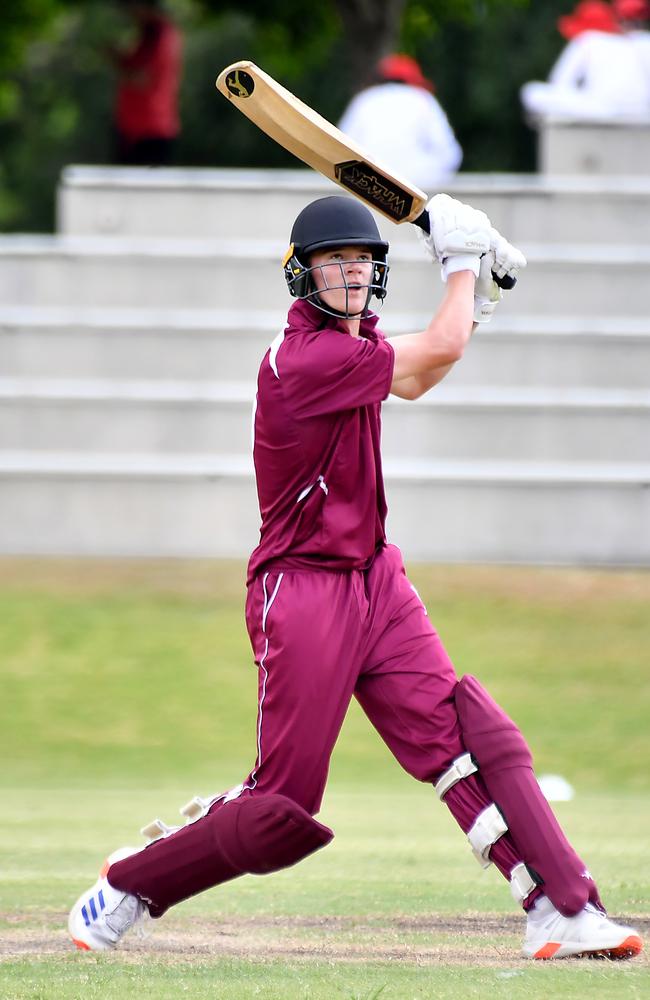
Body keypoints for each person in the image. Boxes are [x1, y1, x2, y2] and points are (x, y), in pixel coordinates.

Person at [67, 193, 643, 962]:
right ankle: (130, 885)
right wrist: (463, 264)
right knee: (282, 809)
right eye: (334, 261)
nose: (352, 273)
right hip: (300, 592)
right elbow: (437, 351)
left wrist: (480, 294)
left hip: (376, 578)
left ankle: (561, 909)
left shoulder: (359, 342)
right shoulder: (303, 360)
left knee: (472, 737)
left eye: (364, 261)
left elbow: (417, 377)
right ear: (300, 275)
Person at [338, 54, 462, 191]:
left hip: (368, 186)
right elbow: (449, 153)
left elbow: (341, 146)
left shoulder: (365, 99)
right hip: (417, 186)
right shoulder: (423, 100)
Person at [520, 0, 650, 120]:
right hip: (643, 112)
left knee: (530, 91)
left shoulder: (587, 40)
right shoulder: (641, 42)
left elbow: (559, 83)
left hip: (601, 110)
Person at [106, 0, 182, 165]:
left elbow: (143, 79)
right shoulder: (146, 35)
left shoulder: (163, 35)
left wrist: (121, 72)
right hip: (130, 130)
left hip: (152, 131)